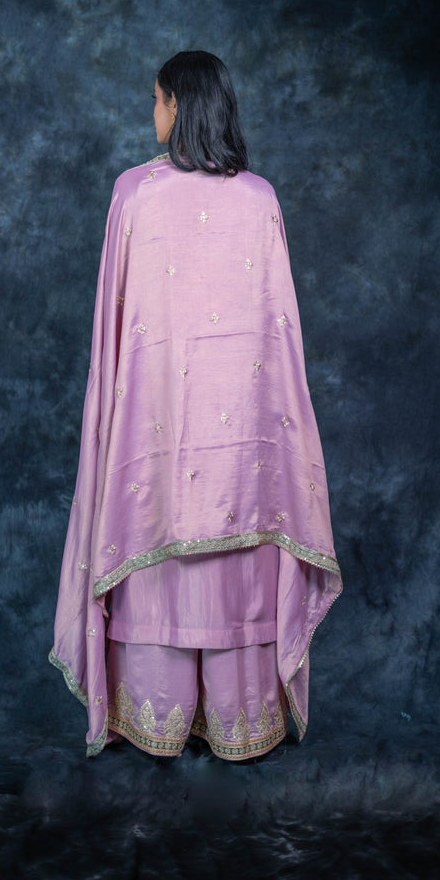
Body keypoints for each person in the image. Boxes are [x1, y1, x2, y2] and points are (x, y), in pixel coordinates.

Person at [49, 51, 342, 760]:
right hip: (245, 457)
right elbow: (279, 342)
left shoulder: (134, 195)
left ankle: (157, 719)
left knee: (156, 533)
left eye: (156, 100)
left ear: (177, 105)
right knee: (236, 558)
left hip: (153, 443)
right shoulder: (260, 199)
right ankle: (240, 719)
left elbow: (113, 335)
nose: (151, 112)